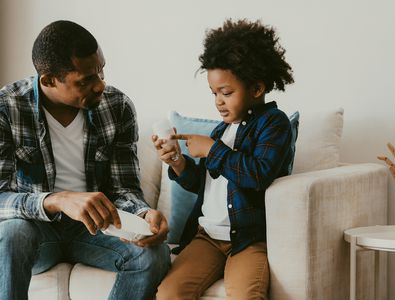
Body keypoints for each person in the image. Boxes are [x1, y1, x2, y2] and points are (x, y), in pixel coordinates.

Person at [0, 20, 170, 300]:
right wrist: (58, 200)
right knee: (11, 234)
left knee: (153, 254)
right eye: (85, 80)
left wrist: (142, 214)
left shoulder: (118, 107)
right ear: (48, 80)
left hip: (96, 228)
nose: (100, 85)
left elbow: (124, 187)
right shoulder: (7, 108)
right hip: (36, 229)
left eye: (101, 71)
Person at [154, 19, 294, 299]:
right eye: (214, 93)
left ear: (256, 89)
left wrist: (211, 150)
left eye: (226, 93)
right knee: (168, 293)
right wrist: (179, 164)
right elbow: (205, 186)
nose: (218, 101)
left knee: (246, 295)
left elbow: (258, 174)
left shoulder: (274, 124)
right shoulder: (221, 131)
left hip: (248, 239)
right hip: (206, 237)